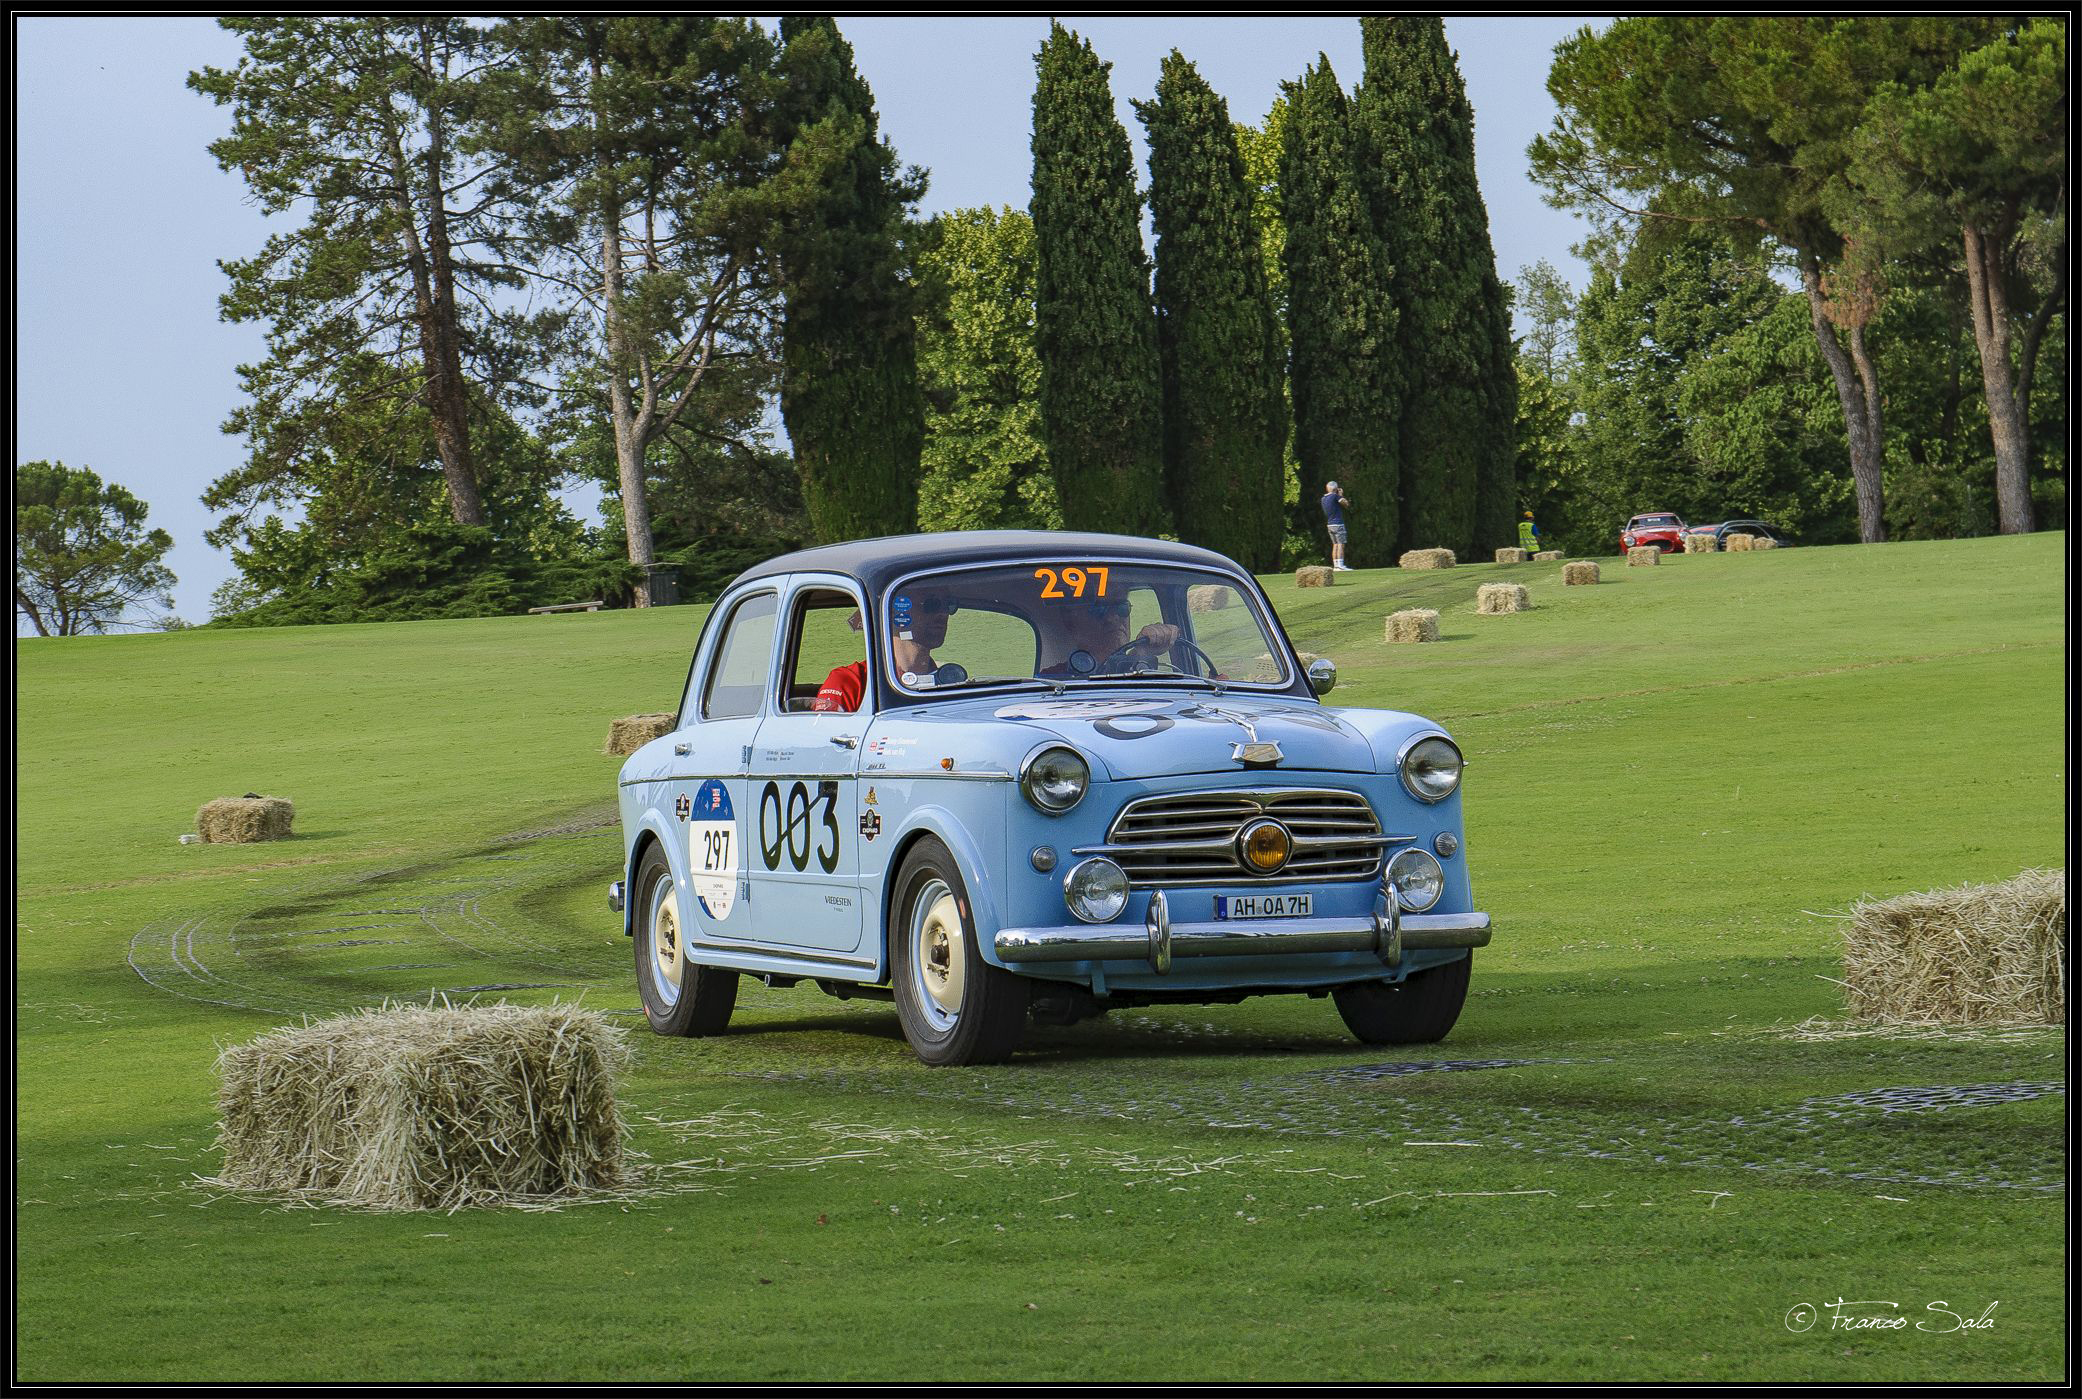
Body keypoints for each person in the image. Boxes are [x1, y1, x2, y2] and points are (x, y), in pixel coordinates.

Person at [812, 592, 956, 710]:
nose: (944, 613)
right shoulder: (848, 683)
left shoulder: (948, 683)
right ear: (893, 612)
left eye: (949, 605)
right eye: (932, 605)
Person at [1037, 596, 1181, 678]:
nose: (1112, 618)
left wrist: (1140, 653)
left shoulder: (1144, 670)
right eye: (1098, 610)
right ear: (1073, 624)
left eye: (1122, 608)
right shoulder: (1053, 678)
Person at [1321, 481, 1352, 571]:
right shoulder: (1335, 496)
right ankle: (1341, 565)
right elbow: (1346, 504)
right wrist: (1341, 495)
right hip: (1338, 523)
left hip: (1330, 524)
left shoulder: (1323, 498)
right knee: (1341, 544)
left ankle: (1336, 565)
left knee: (1335, 544)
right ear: (1336, 488)